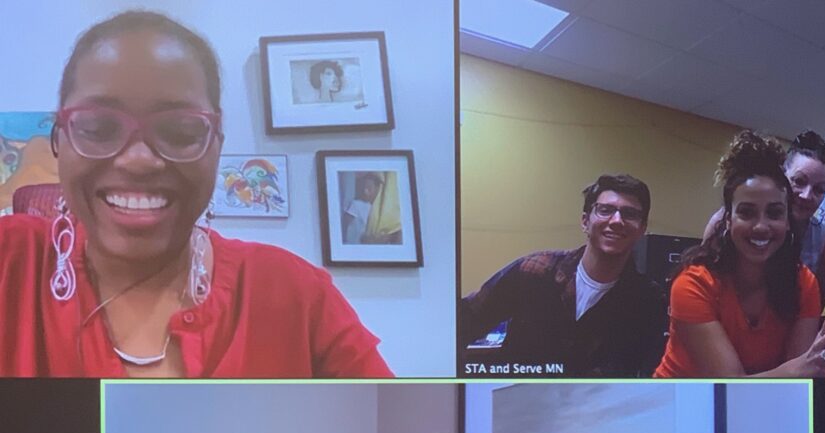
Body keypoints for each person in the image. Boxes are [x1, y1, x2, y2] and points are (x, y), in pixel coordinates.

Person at [0, 11, 392, 378]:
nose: (138, 160)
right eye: (99, 128)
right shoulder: (10, 263)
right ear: (59, 139)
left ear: (216, 143)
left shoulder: (295, 296)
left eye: (181, 131)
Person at [655, 131, 825, 378]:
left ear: (787, 221)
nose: (761, 226)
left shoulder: (804, 284)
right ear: (728, 220)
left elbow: (798, 381)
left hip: (759, 405)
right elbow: (733, 387)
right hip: (681, 405)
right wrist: (801, 368)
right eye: (747, 213)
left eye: (774, 213)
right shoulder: (693, 283)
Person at [457, 174, 667, 378]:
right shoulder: (533, 270)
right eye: (605, 210)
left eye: (630, 214)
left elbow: (648, 373)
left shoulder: (649, 301)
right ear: (585, 221)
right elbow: (463, 322)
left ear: (642, 229)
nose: (617, 220)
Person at [703, 129, 825, 306]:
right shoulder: (724, 222)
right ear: (782, 176)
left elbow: (814, 307)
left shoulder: (823, 243)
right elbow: (702, 289)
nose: (807, 196)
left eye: (819, 190)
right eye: (799, 181)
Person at [342, 171, 384, 244]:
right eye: (364, 187)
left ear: (378, 190)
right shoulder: (356, 204)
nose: (365, 191)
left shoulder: (379, 209)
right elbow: (345, 223)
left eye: (369, 188)